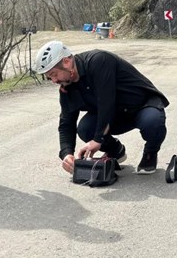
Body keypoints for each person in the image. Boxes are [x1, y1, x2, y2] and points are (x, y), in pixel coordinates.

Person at [33, 41, 168, 176]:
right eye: (49, 77)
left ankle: (150, 152)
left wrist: (98, 140)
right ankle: (116, 150)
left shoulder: (98, 61)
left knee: (153, 122)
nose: (54, 81)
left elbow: (106, 103)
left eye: (54, 74)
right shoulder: (67, 87)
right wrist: (66, 154)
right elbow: (66, 123)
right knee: (85, 129)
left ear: (67, 62)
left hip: (142, 106)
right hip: (114, 115)